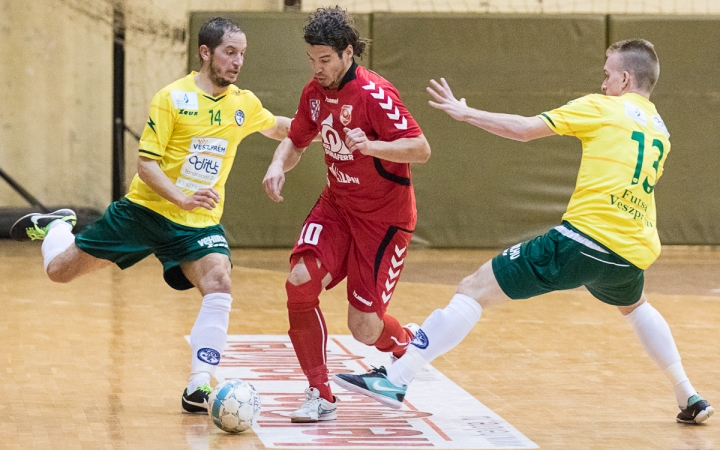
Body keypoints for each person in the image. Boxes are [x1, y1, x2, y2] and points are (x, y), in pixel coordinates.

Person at [334, 39, 714, 424]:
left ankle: (396, 379)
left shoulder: (603, 107)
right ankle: (688, 394)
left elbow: (525, 129)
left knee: (473, 289)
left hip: (583, 241)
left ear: (625, 78)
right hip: (632, 251)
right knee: (637, 307)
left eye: (607, 75)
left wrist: (466, 113)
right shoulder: (660, 130)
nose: (603, 83)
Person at [10, 17, 293, 415]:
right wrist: (182, 198)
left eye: (242, 54)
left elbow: (281, 127)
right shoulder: (172, 98)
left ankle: (198, 385)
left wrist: (327, 123)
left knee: (219, 281)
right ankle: (58, 225)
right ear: (205, 52)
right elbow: (147, 166)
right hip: (144, 212)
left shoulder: (243, 104)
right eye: (230, 52)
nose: (238, 62)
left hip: (196, 224)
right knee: (60, 271)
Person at [262, 6, 431, 423]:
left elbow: (421, 149)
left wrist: (372, 147)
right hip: (337, 206)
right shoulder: (313, 94)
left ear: (348, 53)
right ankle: (320, 394)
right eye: (311, 60)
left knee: (364, 328)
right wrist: (275, 165)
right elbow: (296, 140)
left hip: (384, 220)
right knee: (299, 282)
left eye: (325, 60)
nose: (317, 69)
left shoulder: (375, 93)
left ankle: (404, 344)